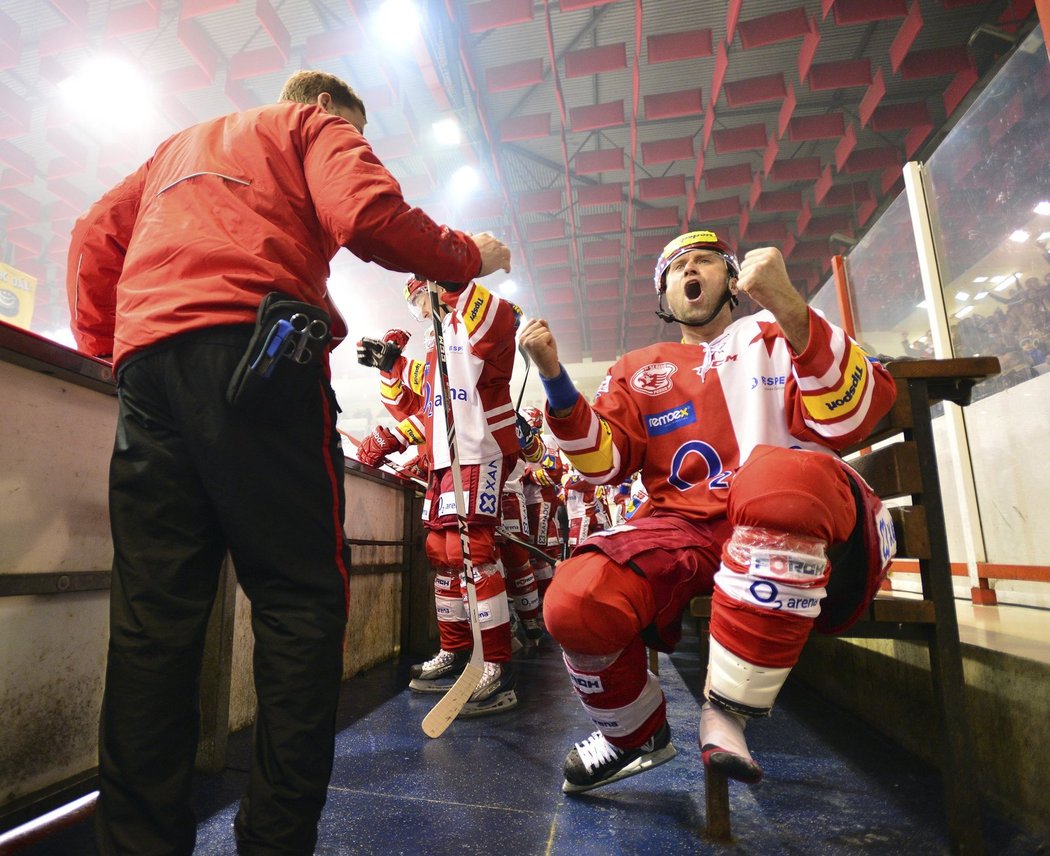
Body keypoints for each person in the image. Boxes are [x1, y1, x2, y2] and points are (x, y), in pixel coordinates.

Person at [66, 69, 510, 856]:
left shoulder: (172, 150)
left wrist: (113, 348)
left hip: (150, 374)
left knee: (151, 623)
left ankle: (136, 845)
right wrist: (464, 255)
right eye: (361, 136)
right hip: (259, 357)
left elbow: (93, 237)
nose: (361, 148)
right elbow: (369, 214)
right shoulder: (310, 126)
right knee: (300, 606)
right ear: (326, 106)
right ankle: (273, 841)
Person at [519, 228, 898, 794]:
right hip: (684, 530)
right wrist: (553, 377)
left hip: (797, 512)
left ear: (732, 278)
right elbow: (601, 462)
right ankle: (633, 736)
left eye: (702, 261)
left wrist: (790, 304)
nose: (689, 271)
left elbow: (854, 417)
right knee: (575, 599)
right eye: (676, 268)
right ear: (664, 295)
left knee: (777, 478)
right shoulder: (636, 366)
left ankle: (727, 712)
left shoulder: (777, 327)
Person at [356, 277, 528, 715]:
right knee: (442, 551)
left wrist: (451, 279)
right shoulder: (435, 352)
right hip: (444, 462)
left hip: (479, 451)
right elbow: (420, 412)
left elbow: (500, 319)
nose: (422, 307)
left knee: (475, 553)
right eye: (414, 303)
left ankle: (496, 666)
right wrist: (390, 371)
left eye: (425, 296)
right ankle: (456, 654)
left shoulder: (472, 329)